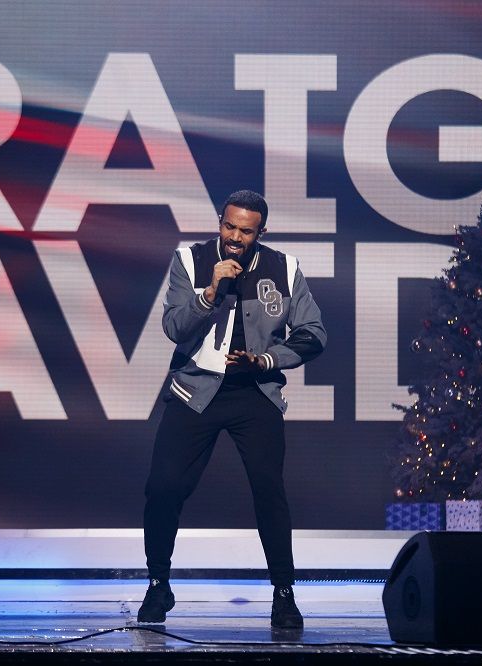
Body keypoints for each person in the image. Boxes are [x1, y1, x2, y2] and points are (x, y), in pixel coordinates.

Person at [138, 190, 326, 629]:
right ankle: (158, 584)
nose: (235, 237)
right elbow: (174, 327)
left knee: (269, 489)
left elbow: (314, 333)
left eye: (246, 231)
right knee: (163, 487)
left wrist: (267, 360)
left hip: (254, 392)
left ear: (261, 232)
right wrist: (209, 292)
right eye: (229, 227)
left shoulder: (284, 268)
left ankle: (284, 593)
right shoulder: (190, 261)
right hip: (195, 390)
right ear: (219, 222)